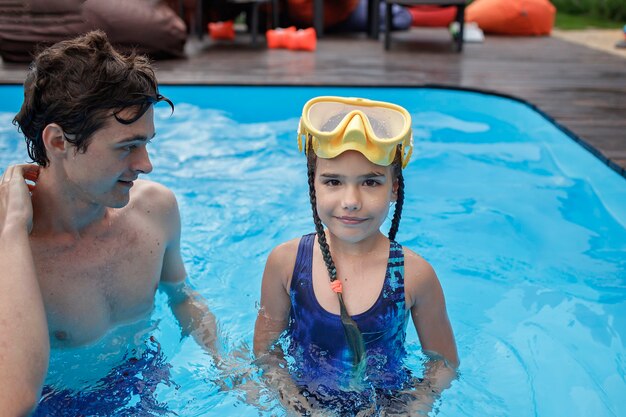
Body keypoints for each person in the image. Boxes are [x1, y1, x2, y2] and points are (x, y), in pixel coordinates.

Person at [0, 30, 216, 414]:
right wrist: (12, 229)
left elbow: (182, 297)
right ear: (58, 142)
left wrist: (227, 367)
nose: (145, 165)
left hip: (143, 383)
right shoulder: (12, 254)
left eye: (146, 143)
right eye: (127, 147)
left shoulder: (155, 210)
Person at [253, 96, 459, 415]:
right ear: (314, 183)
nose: (351, 201)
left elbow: (443, 363)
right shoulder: (286, 263)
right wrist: (299, 408)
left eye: (370, 182)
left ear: (394, 188)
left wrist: (412, 409)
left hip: (389, 405)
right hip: (304, 403)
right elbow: (267, 353)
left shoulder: (416, 275)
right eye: (333, 181)